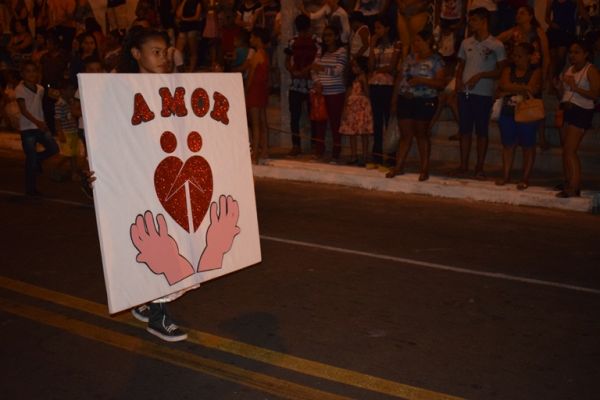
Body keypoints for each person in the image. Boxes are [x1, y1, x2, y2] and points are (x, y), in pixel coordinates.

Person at [453, 7, 506, 178]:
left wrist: (481, 75)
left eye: (474, 20)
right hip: (465, 92)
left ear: (484, 21)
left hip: (483, 93)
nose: (471, 23)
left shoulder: (496, 44)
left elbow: (500, 71)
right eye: (470, 20)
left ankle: (479, 167)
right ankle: (463, 165)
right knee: (465, 129)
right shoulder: (466, 43)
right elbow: (461, 65)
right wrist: (458, 81)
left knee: (482, 131)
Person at [387, 29, 445, 181]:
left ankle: (424, 169)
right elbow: (400, 79)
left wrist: (421, 80)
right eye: (414, 41)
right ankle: (399, 166)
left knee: (422, 134)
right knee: (405, 135)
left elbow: (440, 83)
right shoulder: (410, 58)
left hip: (424, 100)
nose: (415, 43)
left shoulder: (436, 60)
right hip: (405, 99)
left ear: (428, 41)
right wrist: (394, 100)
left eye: (418, 40)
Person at [554, 40, 600, 197]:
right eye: (570, 52)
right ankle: (568, 181)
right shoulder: (569, 69)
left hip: (581, 111)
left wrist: (576, 88)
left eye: (577, 52)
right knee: (565, 150)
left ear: (586, 54)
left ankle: (574, 187)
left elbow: (595, 95)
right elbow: (564, 94)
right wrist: (559, 89)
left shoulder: (590, 70)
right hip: (566, 109)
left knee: (570, 150)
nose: (572, 55)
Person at [495, 42, 542, 190]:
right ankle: (506, 175)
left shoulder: (536, 71)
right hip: (508, 112)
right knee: (508, 145)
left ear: (529, 56)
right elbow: (503, 85)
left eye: (519, 56)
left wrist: (510, 89)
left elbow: (532, 89)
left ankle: (525, 178)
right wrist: (523, 88)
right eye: (514, 55)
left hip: (527, 113)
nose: (515, 58)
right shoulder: (508, 69)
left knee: (528, 146)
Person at [15, 60, 59, 196]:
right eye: (28, 71)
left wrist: (53, 96)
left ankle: (36, 159)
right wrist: (37, 122)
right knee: (31, 159)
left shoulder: (40, 89)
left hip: (41, 126)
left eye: (34, 71)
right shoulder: (19, 89)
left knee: (54, 148)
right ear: (22, 74)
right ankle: (31, 189)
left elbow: (41, 106)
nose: (31, 74)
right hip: (28, 128)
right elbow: (23, 110)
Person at [311, 24, 348, 161]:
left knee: (335, 122)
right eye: (325, 35)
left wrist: (320, 68)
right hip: (321, 91)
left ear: (337, 36)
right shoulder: (321, 51)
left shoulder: (341, 51)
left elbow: (338, 71)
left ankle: (336, 152)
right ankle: (319, 150)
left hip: (336, 92)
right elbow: (313, 69)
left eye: (330, 35)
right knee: (319, 122)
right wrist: (317, 82)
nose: (327, 38)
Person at [367, 16, 400, 170]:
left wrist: (377, 70)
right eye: (375, 28)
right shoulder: (376, 45)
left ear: (387, 28)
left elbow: (392, 67)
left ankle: (391, 156)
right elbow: (370, 66)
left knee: (389, 120)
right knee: (377, 122)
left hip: (389, 85)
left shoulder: (396, 44)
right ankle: (377, 156)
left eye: (379, 27)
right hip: (375, 85)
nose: (376, 31)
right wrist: (371, 45)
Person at [284, 13, 319, 156]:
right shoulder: (312, 40)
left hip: (306, 82)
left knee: (307, 116)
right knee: (300, 116)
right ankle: (305, 145)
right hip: (302, 82)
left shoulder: (313, 41)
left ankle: (302, 145)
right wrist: (295, 71)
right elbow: (287, 61)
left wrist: (297, 71)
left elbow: (318, 60)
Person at [339, 56, 373, 165]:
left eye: (356, 66)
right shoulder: (351, 79)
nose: (354, 68)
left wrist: (364, 81)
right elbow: (347, 95)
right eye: (353, 66)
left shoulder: (364, 77)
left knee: (364, 133)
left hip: (362, 107)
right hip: (352, 106)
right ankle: (353, 155)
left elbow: (368, 93)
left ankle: (365, 156)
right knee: (351, 132)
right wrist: (345, 108)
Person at [246, 27, 270, 164]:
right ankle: (265, 150)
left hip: (255, 90)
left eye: (252, 37)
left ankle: (255, 154)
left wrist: (246, 91)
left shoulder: (256, 55)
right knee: (263, 122)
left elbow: (251, 77)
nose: (250, 39)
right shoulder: (265, 54)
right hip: (262, 90)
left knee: (255, 124)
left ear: (258, 39)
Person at [53, 79, 80, 181]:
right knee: (67, 155)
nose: (72, 92)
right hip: (66, 132)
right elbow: (57, 119)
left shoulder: (70, 102)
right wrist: (60, 132)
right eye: (70, 90)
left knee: (73, 155)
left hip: (73, 131)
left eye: (73, 89)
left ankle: (74, 174)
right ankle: (55, 168)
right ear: (63, 91)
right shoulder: (60, 104)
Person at [546, 0, 578, 79]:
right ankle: (551, 80)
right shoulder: (551, 1)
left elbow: (582, 11)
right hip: (554, 30)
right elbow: (547, 17)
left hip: (567, 30)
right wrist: (551, 24)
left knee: (561, 57)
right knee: (553, 58)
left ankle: (555, 77)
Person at [175, 0, 203, 72]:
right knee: (178, 51)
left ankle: (191, 71)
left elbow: (197, 17)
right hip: (183, 28)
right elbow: (178, 15)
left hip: (193, 27)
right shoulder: (182, 2)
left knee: (193, 51)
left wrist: (185, 19)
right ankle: (181, 69)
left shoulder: (197, 2)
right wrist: (184, 2)